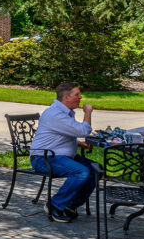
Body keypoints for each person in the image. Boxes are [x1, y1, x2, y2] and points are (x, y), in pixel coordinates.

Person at [29, 82, 99, 222]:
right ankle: (55, 205)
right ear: (66, 97)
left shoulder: (64, 112)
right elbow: (83, 130)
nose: (80, 97)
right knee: (81, 172)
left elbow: (60, 135)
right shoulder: (55, 114)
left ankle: (70, 205)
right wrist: (88, 112)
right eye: (77, 94)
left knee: (96, 169)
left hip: (59, 155)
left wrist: (80, 144)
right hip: (44, 158)